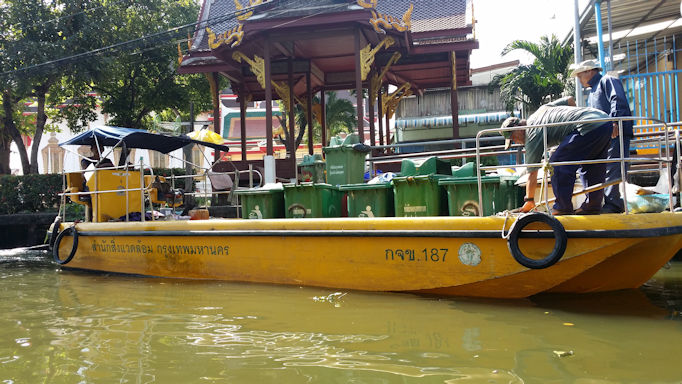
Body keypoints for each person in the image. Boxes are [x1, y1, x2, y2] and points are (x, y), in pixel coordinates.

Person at [501, 96, 613, 215]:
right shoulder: (541, 110)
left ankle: (562, 208)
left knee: (557, 163)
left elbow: (532, 172)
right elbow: (569, 100)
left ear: (518, 128)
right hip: (604, 121)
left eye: (513, 139)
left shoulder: (530, 132)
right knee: (592, 165)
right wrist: (573, 120)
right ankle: (592, 206)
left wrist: (529, 200)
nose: (517, 143)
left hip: (585, 125)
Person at [571, 59, 633, 213]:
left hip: (615, 132)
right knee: (598, 167)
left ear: (589, 71)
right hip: (603, 135)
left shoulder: (607, 81)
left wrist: (613, 121)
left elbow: (617, 100)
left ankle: (613, 204)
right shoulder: (593, 91)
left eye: (580, 76)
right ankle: (596, 203)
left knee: (613, 166)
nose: (579, 80)